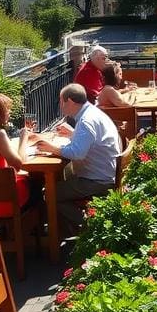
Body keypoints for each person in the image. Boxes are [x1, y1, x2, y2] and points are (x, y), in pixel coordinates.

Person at [35, 84, 122, 233]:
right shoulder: (93, 113)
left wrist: (51, 148)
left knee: (49, 193)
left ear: (69, 101)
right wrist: (73, 134)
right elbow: (92, 141)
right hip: (106, 172)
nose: (60, 106)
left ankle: (90, 226)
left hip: (97, 180)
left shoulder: (86, 121)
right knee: (65, 176)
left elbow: (77, 153)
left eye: (61, 101)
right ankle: (66, 227)